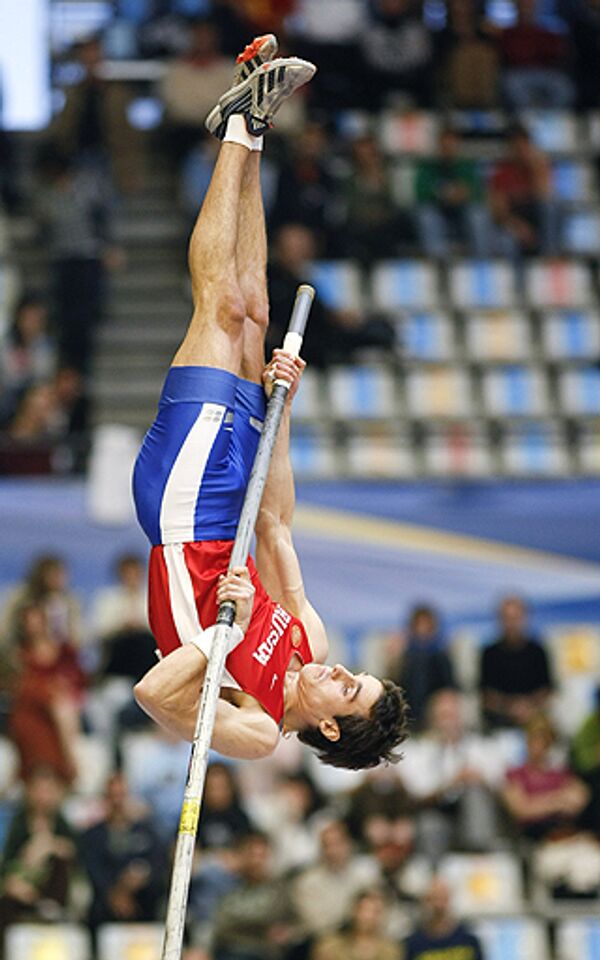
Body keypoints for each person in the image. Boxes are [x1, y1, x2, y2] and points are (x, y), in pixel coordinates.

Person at [132, 33, 409, 771]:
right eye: (358, 673)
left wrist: (222, 635)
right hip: (239, 501)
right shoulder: (309, 641)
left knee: (219, 310)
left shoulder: (257, 730)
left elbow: (155, 696)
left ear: (327, 729)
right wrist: (279, 405)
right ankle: (253, 123)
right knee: (254, 310)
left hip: (186, 518)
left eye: (346, 691)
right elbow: (278, 525)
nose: (339, 670)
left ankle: (237, 126)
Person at [502, 713, 589, 842]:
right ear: (527, 740)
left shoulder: (559, 773)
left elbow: (578, 800)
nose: (538, 746)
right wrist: (557, 800)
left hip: (564, 835)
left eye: (543, 740)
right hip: (531, 838)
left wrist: (537, 803)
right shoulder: (516, 774)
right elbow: (520, 810)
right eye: (534, 739)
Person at [479, 594, 553, 730]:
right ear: (499, 620)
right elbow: (485, 694)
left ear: (525, 618)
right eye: (507, 618)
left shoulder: (538, 651)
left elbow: (547, 690)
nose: (511, 624)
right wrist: (510, 707)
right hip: (499, 719)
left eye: (515, 618)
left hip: (534, 717)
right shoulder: (489, 653)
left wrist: (527, 707)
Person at [403, 876, 483, 960]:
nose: (439, 905)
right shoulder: (413, 944)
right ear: (425, 901)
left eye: (443, 898)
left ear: (449, 899)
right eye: (434, 898)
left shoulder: (468, 940)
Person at [312, 887, 402, 960]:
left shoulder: (391, 950)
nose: (367, 916)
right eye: (363, 910)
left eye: (375, 912)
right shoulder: (329, 946)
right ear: (353, 911)